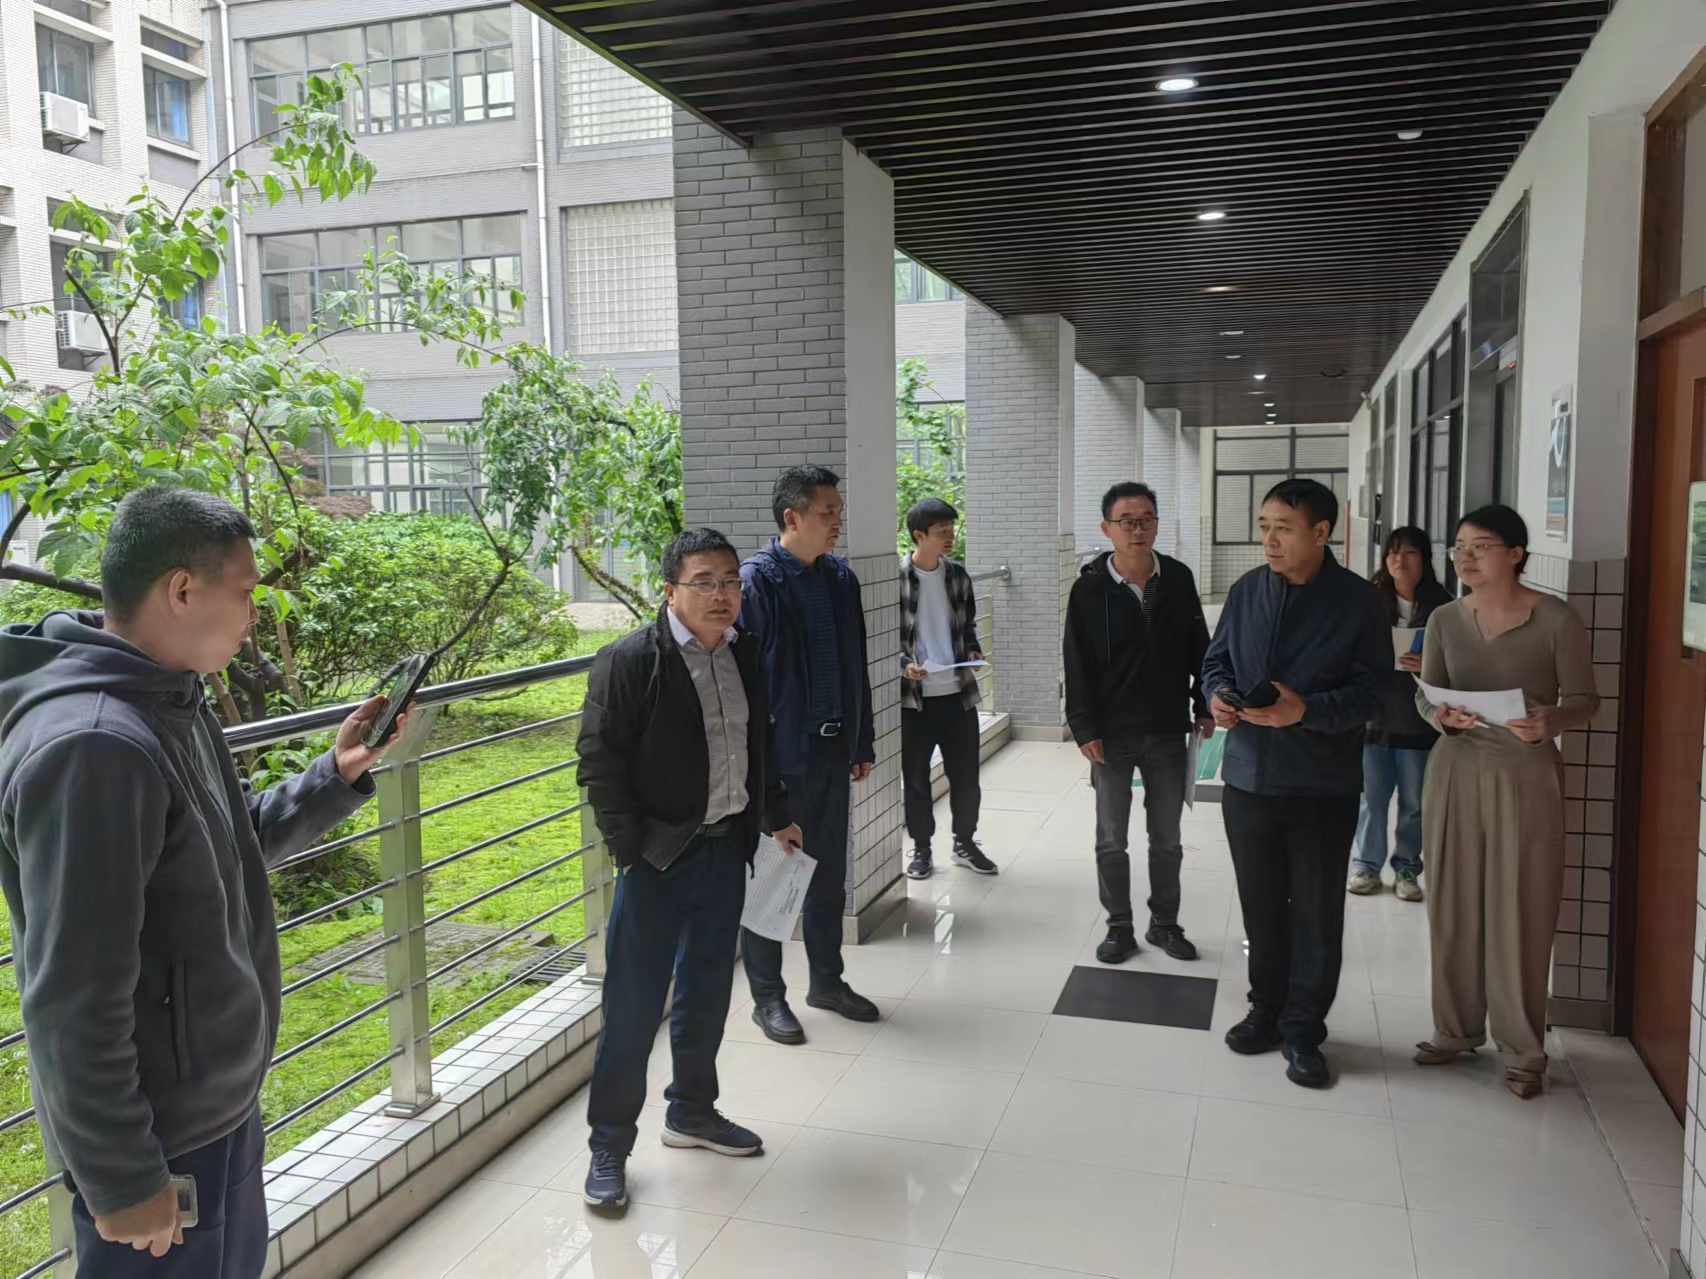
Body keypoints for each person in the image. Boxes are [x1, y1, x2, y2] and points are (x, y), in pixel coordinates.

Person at [0, 487, 400, 1277]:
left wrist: (334, 775)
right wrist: (123, 1176)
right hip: (160, 1144)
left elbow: (231, 840)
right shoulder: (94, 746)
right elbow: (74, 993)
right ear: (182, 589)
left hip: (216, 1110)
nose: (254, 613)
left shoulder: (168, 697)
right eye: (245, 591)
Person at [575, 528, 804, 1211]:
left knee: (706, 993)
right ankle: (609, 1145)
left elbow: (758, 742)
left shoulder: (744, 652)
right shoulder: (628, 661)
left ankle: (692, 1111)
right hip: (658, 861)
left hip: (726, 849)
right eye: (704, 581)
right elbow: (599, 763)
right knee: (634, 1008)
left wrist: (776, 814)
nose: (721, 594)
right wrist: (631, 852)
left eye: (731, 580)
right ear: (670, 589)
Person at [1202, 478, 1388, 1089]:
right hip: (1248, 778)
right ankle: (1266, 1010)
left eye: (1283, 528)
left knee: (1315, 913)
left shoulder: (1359, 602)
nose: (1269, 540)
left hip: (1321, 784)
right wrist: (1219, 696)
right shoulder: (1247, 590)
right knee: (1261, 906)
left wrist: (1304, 710)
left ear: (1321, 532)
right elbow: (1216, 660)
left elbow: (1373, 693)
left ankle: (1305, 1028)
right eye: (1264, 527)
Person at [1411, 506, 1597, 1099]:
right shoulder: (1444, 618)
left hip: (1525, 774)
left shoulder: (1557, 619)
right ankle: (1454, 1029)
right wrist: (1441, 716)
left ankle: (1523, 1051)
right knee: (1452, 903)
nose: (1464, 559)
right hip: (1455, 770)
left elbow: (1587, 699)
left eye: (1480, 547)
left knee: (1521, 908)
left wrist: (1550, 721)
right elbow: (1426, 697)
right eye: (1458, 548)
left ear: (1516, 554)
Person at [738, 464, 880, 1045]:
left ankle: (827, 982)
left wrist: (861, 739)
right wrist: (761, 771)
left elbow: (856, 664)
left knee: (827, 878)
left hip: (831, 750)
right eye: (828, 513)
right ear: (791, 518)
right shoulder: (758, 584)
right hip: (780, 761)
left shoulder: (840, 578)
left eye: (838, 511)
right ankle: (767, 998)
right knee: (772, 881)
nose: (838, 522)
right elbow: (748, 688)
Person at [1064, 482, 1214, 963]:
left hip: (1167, 728)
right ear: (1106, 528)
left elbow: (1200, 648)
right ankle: (1119, 926)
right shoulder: (1089, 589)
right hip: (1110, 734)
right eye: (1126, 521)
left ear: (1157, 524)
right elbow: (1077, 663)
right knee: (1111, 838)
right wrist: (1084, 728)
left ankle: (1164, 924)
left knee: (1167, 839)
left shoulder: (1177, 578)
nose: (1138, 529)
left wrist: (1204, 702)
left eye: (1146, 519)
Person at [1348, 526, 1451, 902]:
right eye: (1392, 552)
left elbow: (1460, 662)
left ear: (1424, 559)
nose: (1399, 559)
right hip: (1374, 717)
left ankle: (1407, 867)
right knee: (1371, 801)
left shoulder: (1443, 607)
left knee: (1414, 804)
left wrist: (1429, 664)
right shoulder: (1369, 601)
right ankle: (1367, 866)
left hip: (1419, 722)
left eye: (1409, 552)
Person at [900, 497, 997, 880]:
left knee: (966, 778)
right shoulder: (896, 579)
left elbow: (967, 626)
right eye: (942, 531)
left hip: (958, 695)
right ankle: (922, 849)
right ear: (919, 535)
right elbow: (885, 637)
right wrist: (904, 666)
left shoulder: (958, 575)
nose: (950, 537)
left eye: (951, 529)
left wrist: (973, 650)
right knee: (916, 780)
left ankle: (965, 844)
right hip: (915, 701)